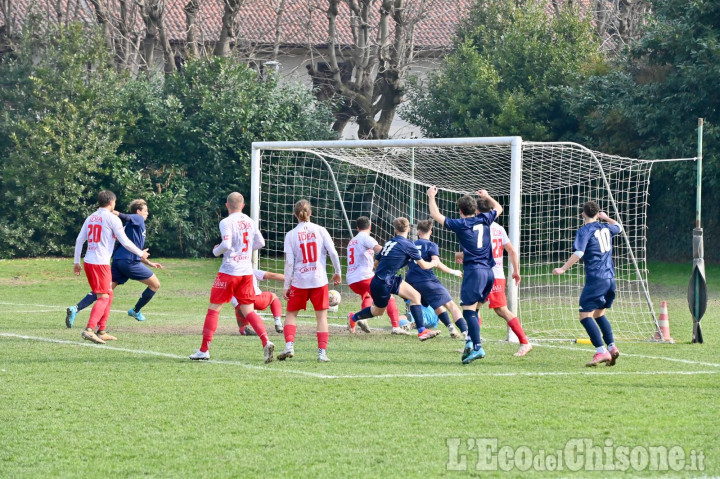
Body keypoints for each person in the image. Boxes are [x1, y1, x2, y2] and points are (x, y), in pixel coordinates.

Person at [189, 192, 274, 363]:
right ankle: (266, 340)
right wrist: (247, 251)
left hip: (229, 271)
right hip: (246, 272)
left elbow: (226, 245)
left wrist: (215, 251)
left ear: (227, 205)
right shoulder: (250, 221)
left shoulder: (226, 222)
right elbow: (261, 243)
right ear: (242, 206)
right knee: (248, 311)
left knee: (214, 308)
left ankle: (204, 350)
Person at [428, 186, 501, 364]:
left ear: (460, 211)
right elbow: (499, 208)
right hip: (489, 272)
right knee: (474, 309)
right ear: (475, 209)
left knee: (468, 311)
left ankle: (477, 347)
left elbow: (436, 215)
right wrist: (487, 195)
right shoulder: (484, 218)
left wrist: (431, 196)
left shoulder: (461, 224)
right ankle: (470, 341)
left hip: (474, 272)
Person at [65, 199, 163, 328]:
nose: (147, 213)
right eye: (145, 211)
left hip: (118, 261)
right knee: (155, 285)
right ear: (138, 212)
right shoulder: (138, 219)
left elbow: (129, 246)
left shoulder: (128, 227)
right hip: (129, 262)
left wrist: (148, 262)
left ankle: (75, 309)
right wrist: (111, 210)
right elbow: (125, 216)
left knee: (104, 289)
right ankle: (135, 310)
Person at [72, 190, 149, 344]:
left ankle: (102, 331)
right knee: (104, 297)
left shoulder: (90, 217)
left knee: (109, 293)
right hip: (100, 263)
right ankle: (89, 329)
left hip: (89, 262)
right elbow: (126, 242)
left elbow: (80, 240)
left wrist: (76, 262)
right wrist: (141, 253)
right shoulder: (112, 219)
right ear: (112, 202)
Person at [455, 206, 532, 357]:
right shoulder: (499, 228)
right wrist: (515, 270)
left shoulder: (481, 227)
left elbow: (476, 251)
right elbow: (511, 250)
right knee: (474, 307)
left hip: (488, 273)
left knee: (499, 310)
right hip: (494, 273)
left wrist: (459, 254)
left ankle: (524, 342)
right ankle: (471, 343)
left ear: (477, 212)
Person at [347, 217, 441, 341]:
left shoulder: (389, 243)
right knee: (378, 311)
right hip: (383, 282)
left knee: (415, 296)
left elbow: (376, 263)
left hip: (384, 279)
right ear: (408, 228)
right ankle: (353, 318)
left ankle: (422, 331)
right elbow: (423, 265)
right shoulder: (408, 245)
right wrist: (434, 263)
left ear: (395, 230)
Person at [553, 201, 622, 367]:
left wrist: (563, 268)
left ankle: (601, 351)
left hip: (596, 278)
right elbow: (619, 227)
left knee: (585, 316)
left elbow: (579, 252)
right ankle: (611, 347)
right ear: (598, 214)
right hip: (610, 278)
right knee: (599, 314)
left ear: (583, 214)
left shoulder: (585, 230)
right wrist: (607, 218)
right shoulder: (606, 228)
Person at [276, 200, 342, 363]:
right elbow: (333, 253)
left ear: (295, 214)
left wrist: (286, 286)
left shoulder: (291, 235)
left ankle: (289, 346)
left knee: (291, 314)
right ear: (310, 213)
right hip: (319, 279)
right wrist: (338, 272)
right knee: (321, 318)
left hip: (300, 280)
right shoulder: (320, 230)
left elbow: (289, 263)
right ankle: (321, 353)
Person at [404, 219, 465, 339]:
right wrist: (453, 271)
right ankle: (466, 333)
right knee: (451, 305)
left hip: (411, 282)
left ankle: (450, 327)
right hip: (427, 280)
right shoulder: (431, 245)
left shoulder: (411, 245)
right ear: (431, 232)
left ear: (418, 232)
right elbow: (437, 263)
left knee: (436, 304)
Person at [346, 216, 406, 335]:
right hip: (364, 276)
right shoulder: (366, 238)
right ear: (370, 227)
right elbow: (379, 249)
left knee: (368, 296)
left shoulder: (352, 241)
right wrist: (391, 254)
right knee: (388, 295)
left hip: (352, 280)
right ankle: (395, 326)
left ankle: (353, 318)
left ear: (357, 228)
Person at [231, 269, 285, 336]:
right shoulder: (248, 269)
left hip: (239, 304)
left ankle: (244, 330)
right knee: (273, 297)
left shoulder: (228, 273)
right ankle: (278, 322)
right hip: (255, 299)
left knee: (242, 325)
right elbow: (271, 275)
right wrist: (290, 279)